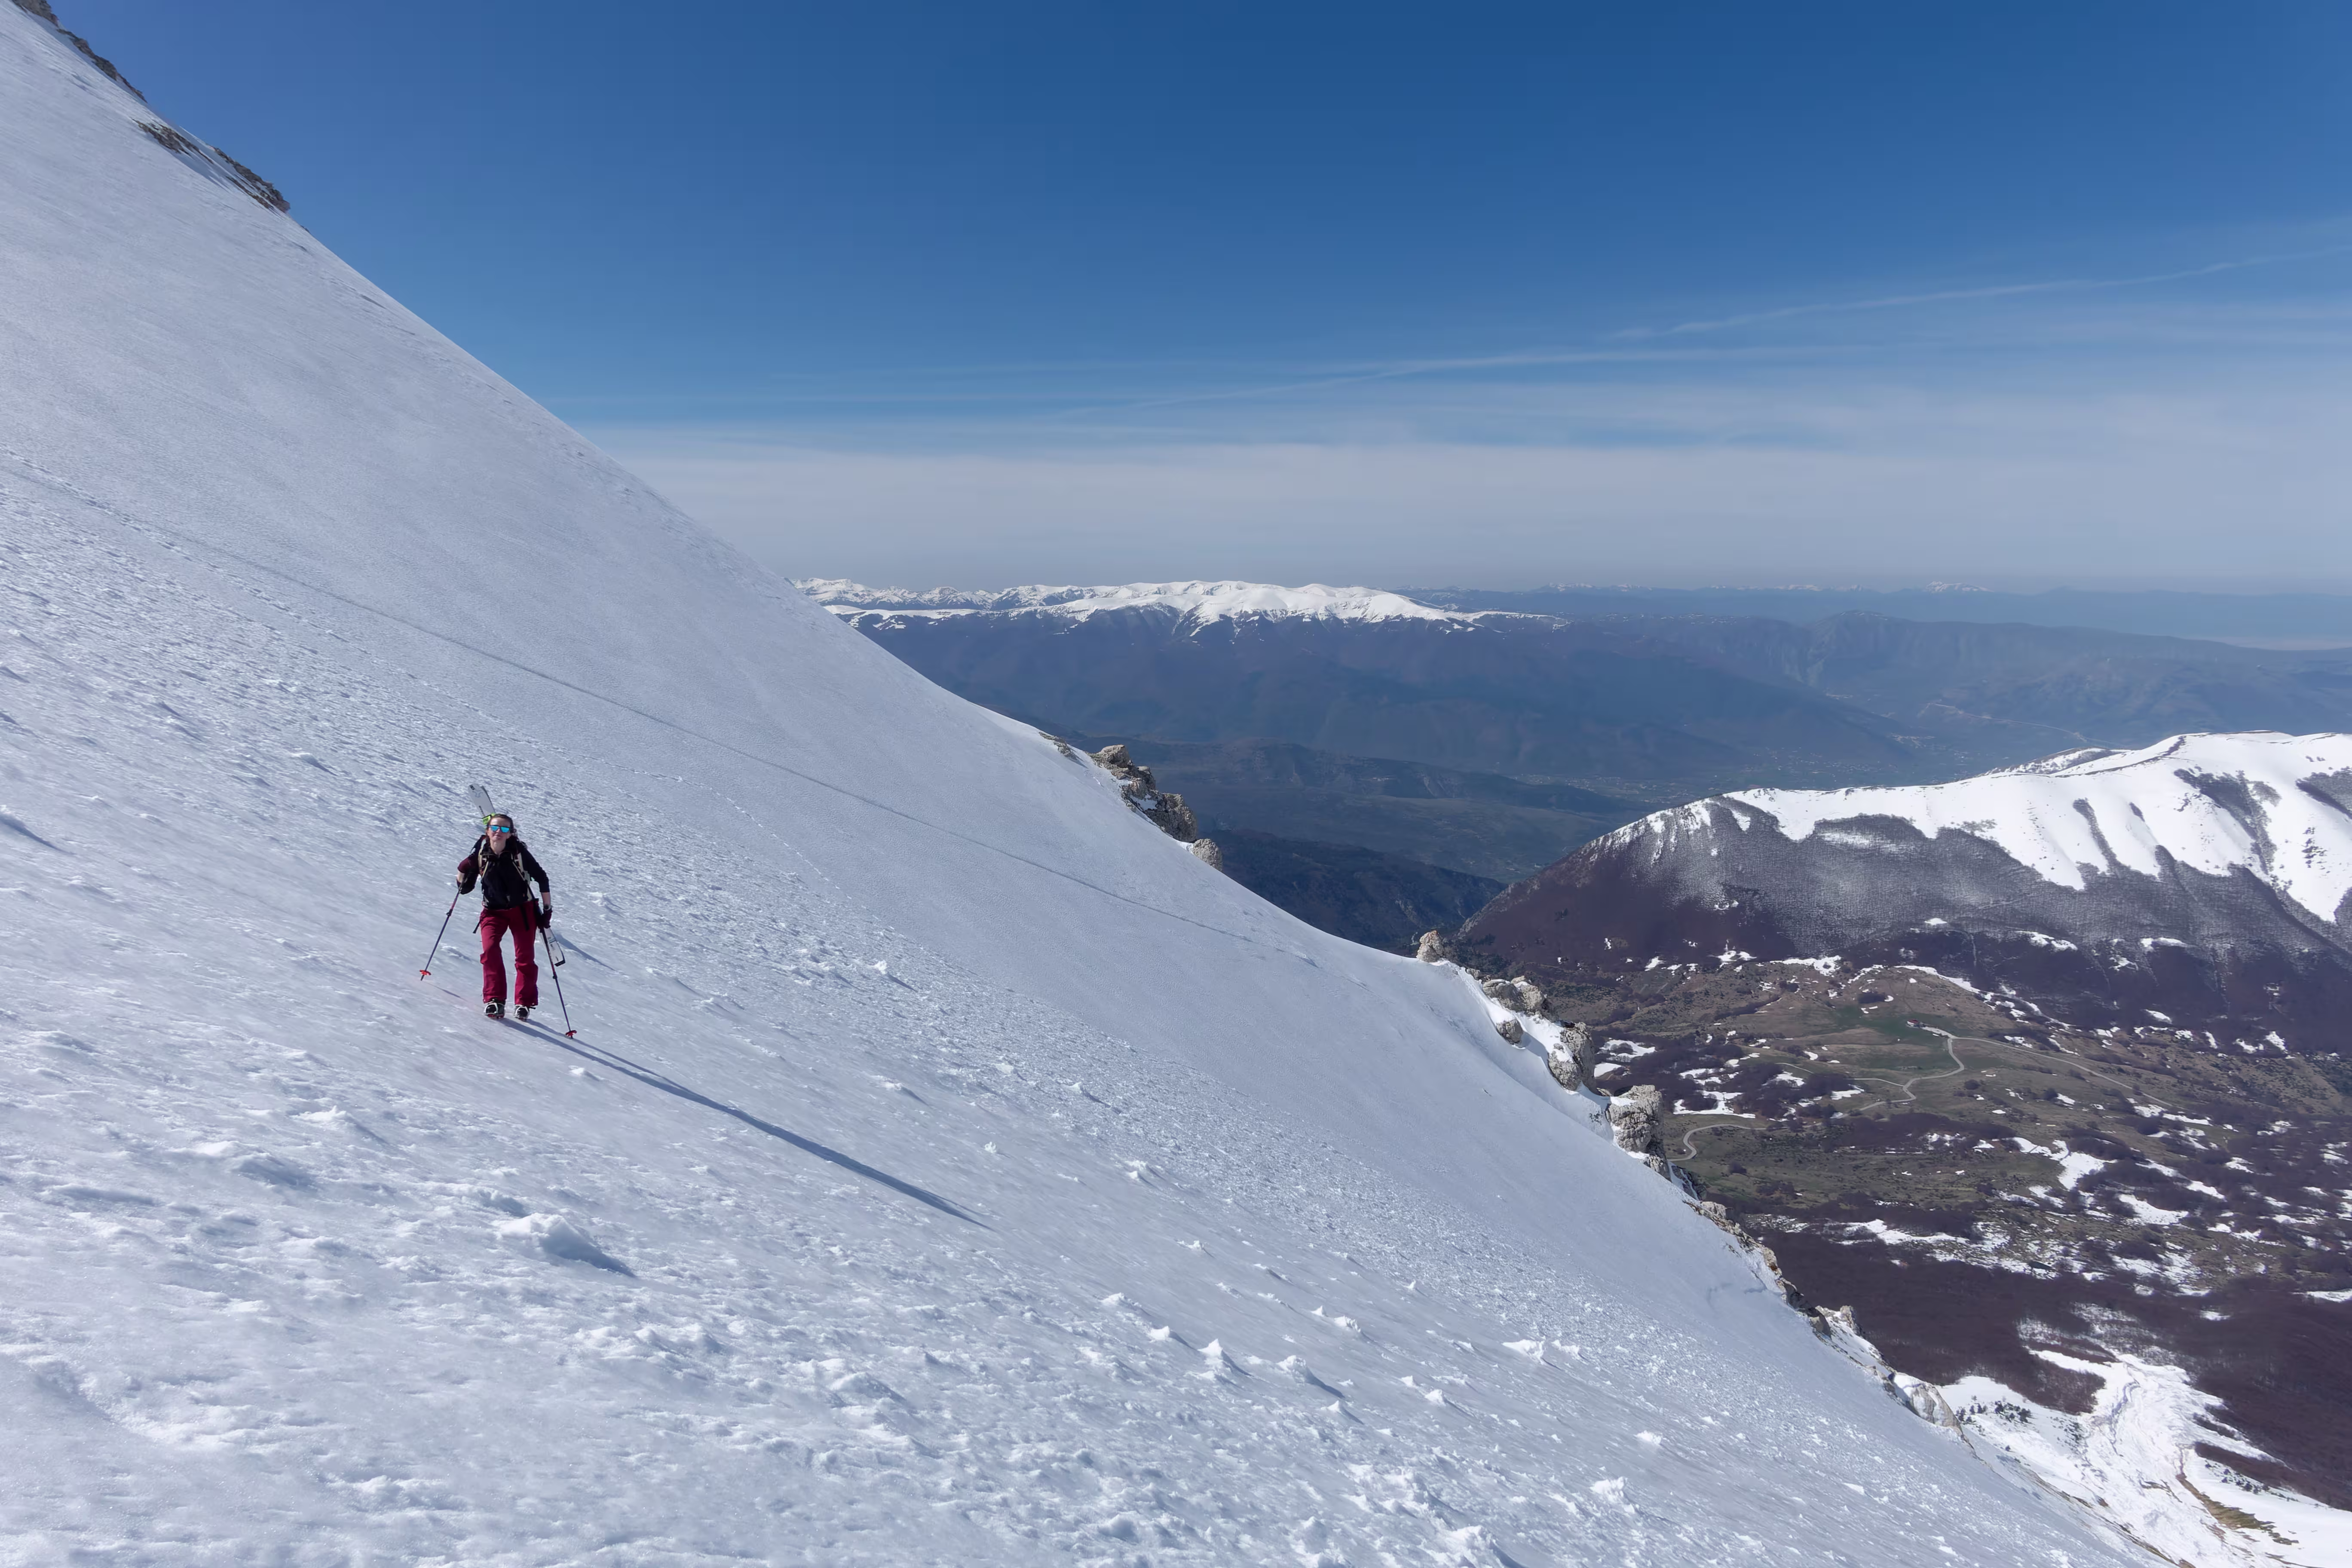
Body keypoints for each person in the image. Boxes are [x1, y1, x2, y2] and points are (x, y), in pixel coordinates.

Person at [457, 814, 550, 1020]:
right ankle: (494, 999)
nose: (499, 832)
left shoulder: (519, 853)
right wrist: (463, 876)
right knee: (490, 951)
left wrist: (547, 910)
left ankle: (524, 1003)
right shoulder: (481, 854)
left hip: (522, 911)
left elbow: (542, 878)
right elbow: (463, 874)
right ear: (488, 831)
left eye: (505, 829)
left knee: (525, 958)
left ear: (510, 834)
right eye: (495, 828)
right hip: (492, 911)